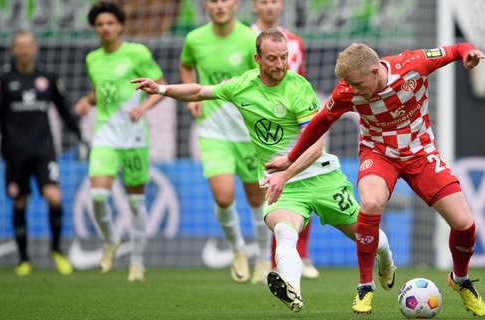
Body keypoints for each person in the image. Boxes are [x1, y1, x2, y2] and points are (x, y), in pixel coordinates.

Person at [131, 29, 396, 313]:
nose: (280, 65)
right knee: (284, 232)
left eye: (284, 58)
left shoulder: (298, 87)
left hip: (319, 177)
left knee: (365, 235)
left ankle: (386, 261)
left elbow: (315, 147)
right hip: (284, 185)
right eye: (272, 58)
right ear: (258, 58)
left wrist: (284, 173)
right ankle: (292, 290)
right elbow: (198, 91)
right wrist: (160, 89)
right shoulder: (242, 85)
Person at [265, 42, 485, 316]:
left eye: (357, 84)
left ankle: (460, 280)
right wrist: (290, 158)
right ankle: (365, 286)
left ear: (374, 70)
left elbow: (456, 49)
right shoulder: (347, 89)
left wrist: (468, 55)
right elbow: (321, 121)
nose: (353, 91)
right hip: (378, 153)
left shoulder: (413, 65)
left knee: (465, 224)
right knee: (370, 203)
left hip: (420, 153)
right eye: (349, 85)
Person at [179, 0, 272, 284]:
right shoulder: (194, 39)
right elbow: (186, 66)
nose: (219, 5)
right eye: (213, 0)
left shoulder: (248, 39)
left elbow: (262, 79)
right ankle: (238, 250)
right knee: (223, 197)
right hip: (212, 130)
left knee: (258, 200)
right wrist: (192, 100)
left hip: (246, 132)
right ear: (206, 6)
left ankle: (264, 258)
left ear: (235, 4)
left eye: (225, 0)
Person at [74, 1, 167, 282]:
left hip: (135, 137)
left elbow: (160, 87)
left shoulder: (137, 53)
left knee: (136, 203)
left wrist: (143, 108)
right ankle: (111, 240)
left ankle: (137, 261)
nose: (105, 28)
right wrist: (86, 101)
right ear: (95, 29)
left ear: (120, 26)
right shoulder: (93, 59)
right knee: (98, 196)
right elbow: (99, 94)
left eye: (110, 23)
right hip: (105, 137)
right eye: (100, 24)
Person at [0, 30, 85, 276]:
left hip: (44, 150)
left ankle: (57, 250)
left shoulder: (47, 78)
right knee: (20, 201)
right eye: (20, 45)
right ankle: (23, 259)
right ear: (13, 49)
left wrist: (81, 138)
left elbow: (64, 111)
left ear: (36, 48)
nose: (25, 49)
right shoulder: (3, 79)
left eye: (29, 45)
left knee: (54, 198)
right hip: (15, 152)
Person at [250, 0, 318, 280]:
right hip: (259, 127)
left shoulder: (296, 42)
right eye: (263, 1)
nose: (269, 7)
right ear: (255, 6)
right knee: (262, 194)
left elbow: (297, 82)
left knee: (307, 183)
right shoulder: (246, 38)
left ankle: (301, 255)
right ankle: (263, 258)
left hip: (291, 125)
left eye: (274, 1)